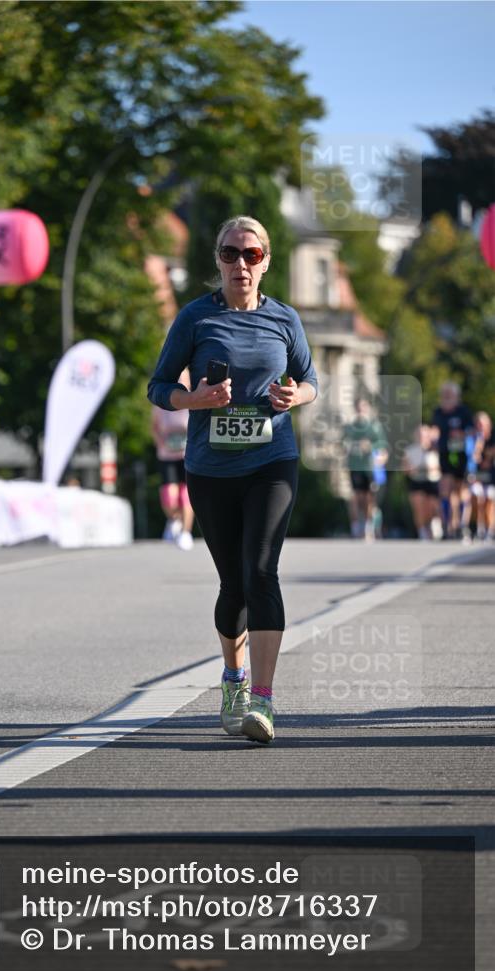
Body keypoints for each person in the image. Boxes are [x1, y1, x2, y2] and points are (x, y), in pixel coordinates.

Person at [147, 216, 318, 744]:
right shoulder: (195, 319)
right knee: (234, 584)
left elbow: (310, 379)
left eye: (250, 254)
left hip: (272, 461)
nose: (240, 264)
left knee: (262, 570)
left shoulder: (285, 320)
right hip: (211, 466)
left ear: (266, 260)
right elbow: (158, 386)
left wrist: (296, 397)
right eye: (229, 253)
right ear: (216, 260)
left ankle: (262, 700)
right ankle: (233, 676)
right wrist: (193, 399)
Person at [151, 368, 195, 550]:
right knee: (170, 496)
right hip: (167, 453)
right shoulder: (162, 401)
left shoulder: (194, 400)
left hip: (187, 454)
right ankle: (174, 519)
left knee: (186, 495)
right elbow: (154, 427)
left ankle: (185, 532)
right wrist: (161, 443)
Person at [430, 382, 474, 540]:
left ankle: (462, 525)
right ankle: (447, 525)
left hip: (461, 455)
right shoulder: (438, 412)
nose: (447, 397)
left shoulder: (463, 412)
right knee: (445, 489)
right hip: (445, 454)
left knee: (461, 490)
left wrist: (461, 434)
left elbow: (472, 431)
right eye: (444, 394)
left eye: (450, 394)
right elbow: (434, 430)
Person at [343, 398, 388, 541]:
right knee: (356, 497)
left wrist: (372, 449)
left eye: (363, 407)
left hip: (370, 467)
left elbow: (383, 447)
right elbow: (343, 444)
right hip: (355, 466)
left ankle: (369, 528)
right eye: (358, 407)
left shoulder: (374, 426)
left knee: (369, 498)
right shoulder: (350, 427)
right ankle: (356, 528)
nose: (361, 410)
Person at [402, 424, 442, 540]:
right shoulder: (410, 450)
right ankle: (422, 531)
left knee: (433, 507)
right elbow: (405, 469)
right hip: (417, 481)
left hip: (432, 481)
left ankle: (434, 525)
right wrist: (411, 469)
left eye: (424, 435)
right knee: (419, 507)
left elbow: (442, 467)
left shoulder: (435, 449)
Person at [470, 411, 495, 541]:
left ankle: (490, 529)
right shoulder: (474, 438)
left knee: (490, 500)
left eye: (483, 424)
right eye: (479, 424)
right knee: (478, 499)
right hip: (478, 475)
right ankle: (478, 527)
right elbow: (475, 457)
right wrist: (479, 441)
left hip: (492, 476)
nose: (481, 427)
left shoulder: (493, 437)